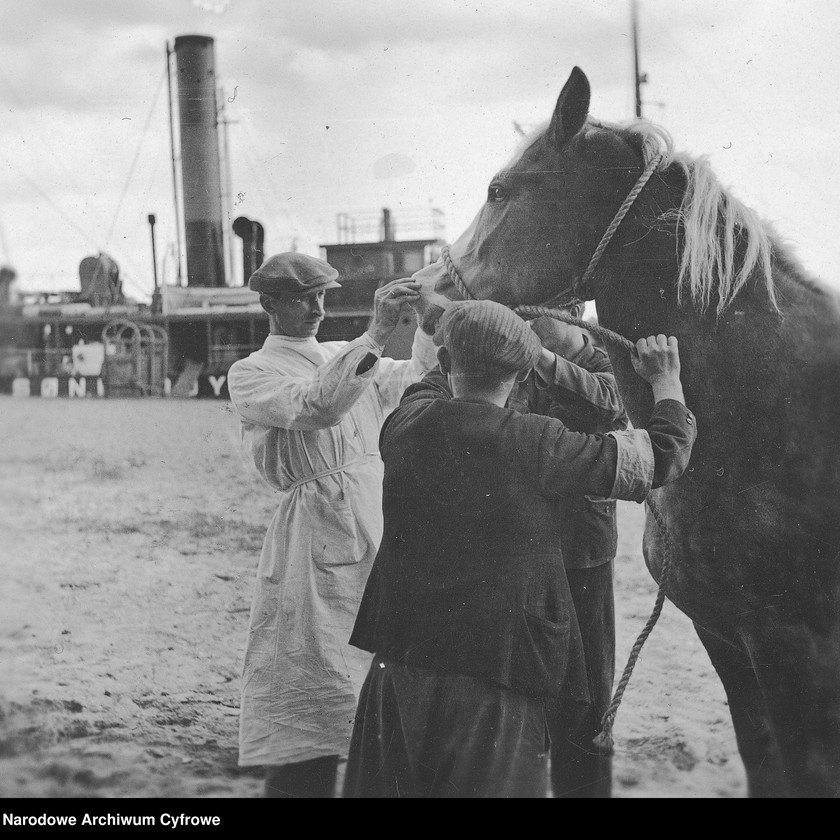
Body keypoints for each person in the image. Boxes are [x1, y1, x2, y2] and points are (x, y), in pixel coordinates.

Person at [342, 299, 697, 798]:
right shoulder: (540, 443)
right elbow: (662, 454)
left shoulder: (404, 423)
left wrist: (467, 326)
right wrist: (666, 381)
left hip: (398, 669)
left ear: (445, 363)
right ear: (526, 369)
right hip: (495, 676)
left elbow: (430, 382)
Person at [226, 252, 438, 798]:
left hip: (379, 516)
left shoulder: (341, 354)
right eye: (302, 298)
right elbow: (319, 404)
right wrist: (373, 335)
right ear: (269, 304)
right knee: (314, 677)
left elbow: (417, 378)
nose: (317, 308)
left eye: (322, 296)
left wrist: (429, 318)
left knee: (387, 684)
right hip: (315, 531)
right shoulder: (251, 372)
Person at [508, 306, 628, 798]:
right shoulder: (521, 362)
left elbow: (612, 404)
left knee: (591, 681)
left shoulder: (605, 360)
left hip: (584, 544)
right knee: (530, 673)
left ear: (573, 313)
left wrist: (549, 354)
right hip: (524, 541)